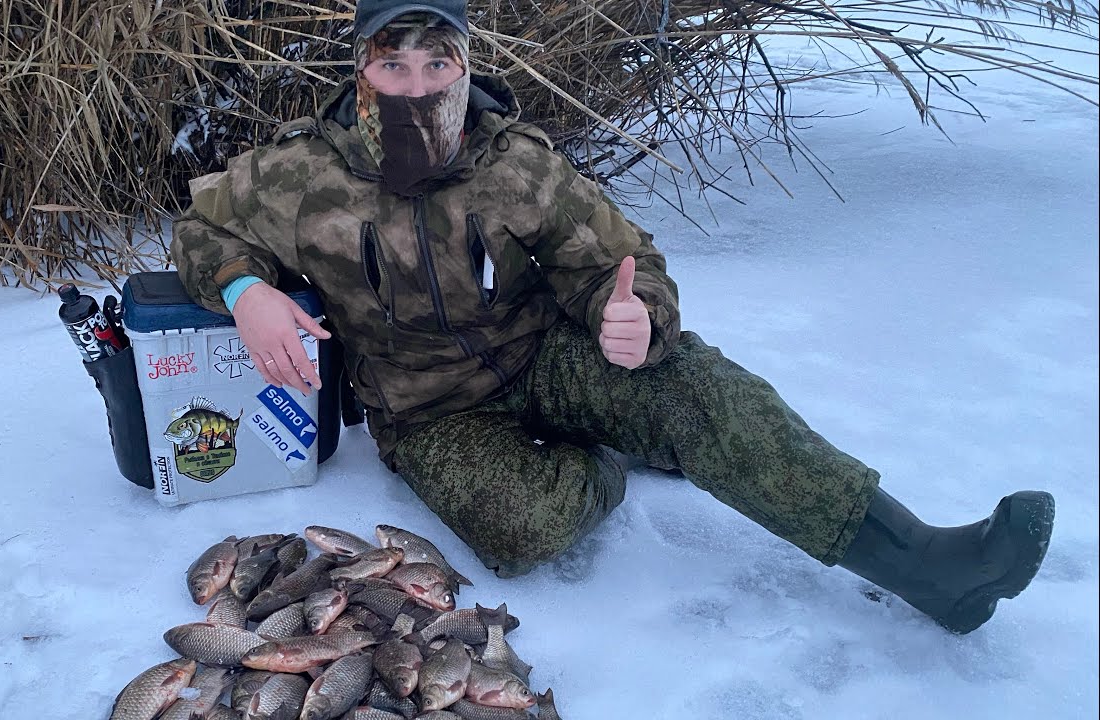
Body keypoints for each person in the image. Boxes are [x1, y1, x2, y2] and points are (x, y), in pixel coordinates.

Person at [170, 0, 1055, 634]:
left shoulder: (516, 163)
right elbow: (203, 227)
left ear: (468, 64)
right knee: (523, 533)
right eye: (392, 62)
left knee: (707, 397)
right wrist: (248, 294)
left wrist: (633, 316)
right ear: (359, 64)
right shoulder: (297, 177)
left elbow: (623, 264)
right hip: (430, 410)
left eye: (439, 62)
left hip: (546, 356)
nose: (416, 84)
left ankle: (929, 565)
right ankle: (612, 458)